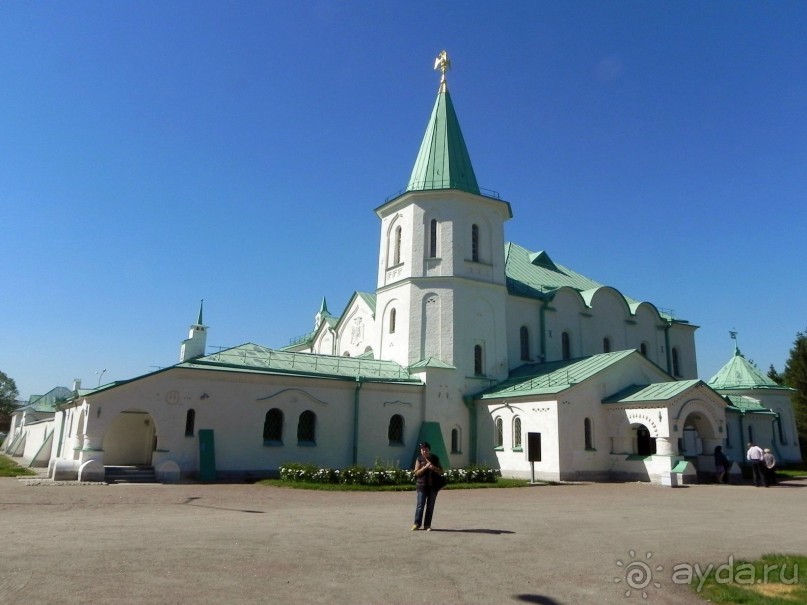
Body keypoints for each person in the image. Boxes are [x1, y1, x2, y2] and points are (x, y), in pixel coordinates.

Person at [412, 442, 444, 531]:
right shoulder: (419, 459)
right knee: (420, 505)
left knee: (430, 506)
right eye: (422, 450)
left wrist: (433, 468)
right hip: (421, 486)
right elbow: (416, 473)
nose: (424, 451)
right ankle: (416, 524)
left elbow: (441, 471)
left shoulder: (435, 459)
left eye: (426, 449)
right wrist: (425, 467)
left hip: (433, 487)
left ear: (429, 450)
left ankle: (427, 525)